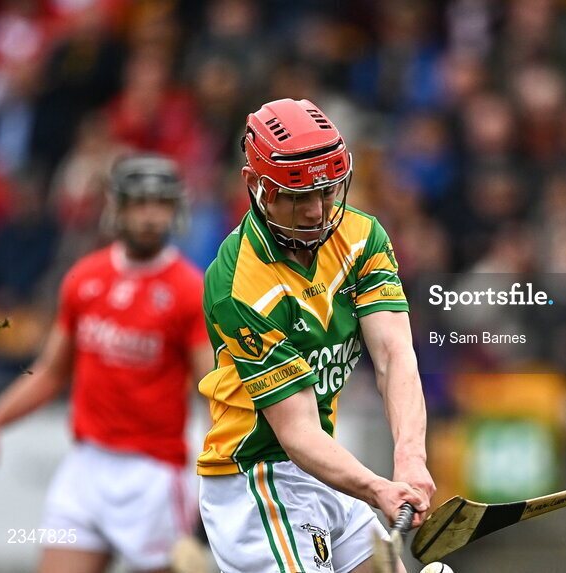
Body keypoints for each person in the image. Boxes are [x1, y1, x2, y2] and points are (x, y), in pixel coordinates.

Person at [196, 98, 435, 573]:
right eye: (296, 195)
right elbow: (296, 429)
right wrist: (378, 489)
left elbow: (394, 356)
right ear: (255, 186)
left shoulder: (363, 239)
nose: (315, 212)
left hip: (323, 470)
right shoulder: (238, 285)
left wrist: (410, 460)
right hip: (257, 479)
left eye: (327, 192)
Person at [0, 154, 210, 573]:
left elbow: (212, 391)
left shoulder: (190, 289)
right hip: (85, 470)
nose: (150, 216)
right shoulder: (84, 278)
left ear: (175, 210)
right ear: (116, 209)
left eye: (161, 203)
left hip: (154, 476)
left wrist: (218, 477)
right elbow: (50, 371)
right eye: (138, 203)